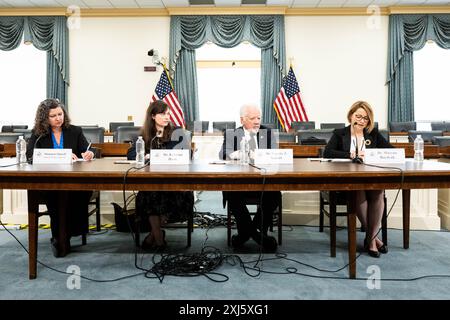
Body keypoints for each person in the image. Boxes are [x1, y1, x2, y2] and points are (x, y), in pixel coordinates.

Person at [323, 100, 393, 258]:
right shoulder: (340, 133)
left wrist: (373, 154)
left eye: (365, 118)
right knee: (359, 189)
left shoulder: (373, 134)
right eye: (358, 116)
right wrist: (350, 154)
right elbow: (327, 153)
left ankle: (370, 238)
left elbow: (391, 151)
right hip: (348, 180)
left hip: (371, 176)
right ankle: (373, 238)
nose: (361, 120)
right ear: (351, 116)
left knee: (378, 192)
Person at [26, 98, 94, 257]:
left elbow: (87, 150)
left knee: (76, 194)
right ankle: (61, 237)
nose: (58, 118)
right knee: (56, 196)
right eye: (53, 116)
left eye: (60, 114)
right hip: (49, 182)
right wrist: (59, 156)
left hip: (74, 181)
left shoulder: (75, 131)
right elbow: (30, 156)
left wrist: (89, 153)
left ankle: (63, 236)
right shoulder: (38, 134)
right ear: (45, 118)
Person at [127, 100, 194, 250]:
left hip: (175, 184)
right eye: (163, 114)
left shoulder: (178, 132)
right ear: (152, 116)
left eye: (168, 114)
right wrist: (144, 155)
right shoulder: (145, 135)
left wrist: (160, 156)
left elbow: (187, 153)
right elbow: (131, 154)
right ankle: (159, 240)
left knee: (164, 197)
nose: (167, 117)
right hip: (152, 183)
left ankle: (154, 236)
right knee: (150, 195)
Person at [219, 104, 279, 252]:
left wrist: (260, 156)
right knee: (231, 194)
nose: (257, 121)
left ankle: (246, 234)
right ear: (242, 120)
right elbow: (222, 154)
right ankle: (257, 235)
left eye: (259, 117)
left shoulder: (268, 132)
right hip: (239, 182)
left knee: (274, 195)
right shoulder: (232, 133)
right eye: (253, 118)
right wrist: (237, 154)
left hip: (263, 181)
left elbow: (275, 154)